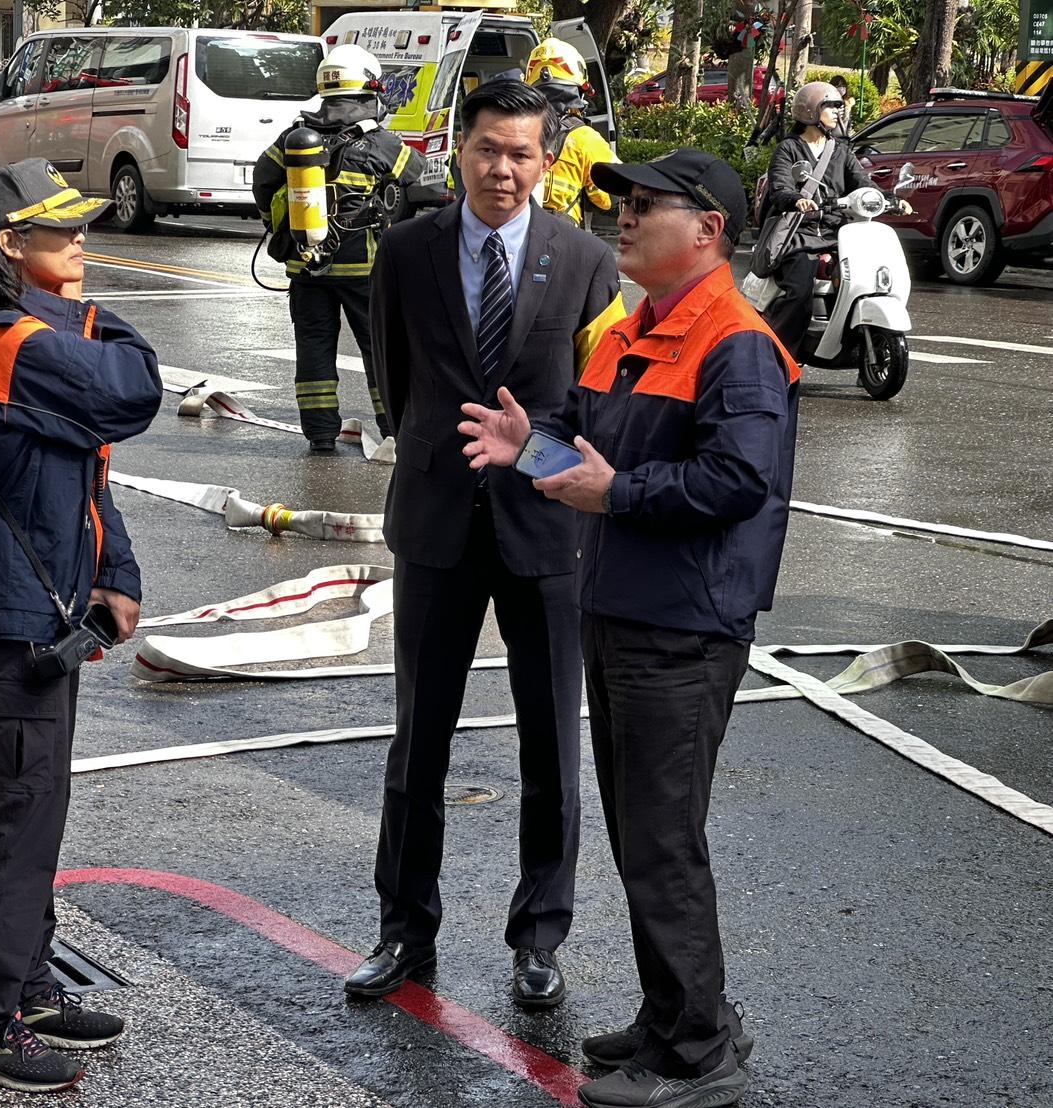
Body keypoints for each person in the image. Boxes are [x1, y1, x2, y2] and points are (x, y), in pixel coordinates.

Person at [458, 148, 798, 1108]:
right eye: (624, 202)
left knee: (660, 839)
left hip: (682, 627)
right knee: (638, 829)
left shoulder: (734, 341)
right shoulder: (630, 329)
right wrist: (531, 448)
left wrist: (617, 492)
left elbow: (739, 483)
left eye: (646, 205)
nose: (625, 216)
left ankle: (697, 1051)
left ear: (707, 231)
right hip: (620, 609)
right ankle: (667, 1016)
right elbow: (577, 435)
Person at [343, 79, 625, 1008]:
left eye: (521, 154)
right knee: (418, 737)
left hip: (545, 526)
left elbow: (595, 419)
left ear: (547, 163)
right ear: (458, 150)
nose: (501, 169)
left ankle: (538, 937)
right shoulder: (408, 248)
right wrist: (439, 458)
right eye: (486, 149)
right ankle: (402, 931)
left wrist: (528, 457)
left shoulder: (584, 260)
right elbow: (392, 380)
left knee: (550, 740)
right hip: (433, 522)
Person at [0, 158, 163, 1094]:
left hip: (47, 597)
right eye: (59, 231)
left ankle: (24, 990)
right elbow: (133, 388)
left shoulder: (30, 333)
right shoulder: (3, 339)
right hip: (16, 610)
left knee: (39, 809)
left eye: (79, 227)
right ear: (8, 250)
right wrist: (74, 318)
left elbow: (87, 475)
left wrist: (116, 573)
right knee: (18, 819)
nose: (82, 241)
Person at [252, 44, 426, 452]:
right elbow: (418, 178)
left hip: (306, 266)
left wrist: (281, 229)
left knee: (313, 350)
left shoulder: (295, 138)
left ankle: (320, 435)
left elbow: (262, 180)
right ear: (369, 87)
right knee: (379, 350)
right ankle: (393, 432)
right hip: (365, 270)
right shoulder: (380, 142)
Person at [760, 80, 909, 361]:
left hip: (836, 234)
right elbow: (779, 186)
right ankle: (780, 357)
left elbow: (863, 183)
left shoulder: (840, 150)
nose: (837, 112)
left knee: (868, 278)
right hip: (799, 235)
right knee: (799, 292)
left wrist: (890, 199)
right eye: (830, 106)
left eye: (839, 107)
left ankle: (856, 339)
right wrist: (796, 199)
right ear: (810, 111)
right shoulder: (789, 149)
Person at [525, 38, 616, 226]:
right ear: (578, 90)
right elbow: (608, 200)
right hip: (561, 241)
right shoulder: (586, 139)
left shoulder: (511, 129)